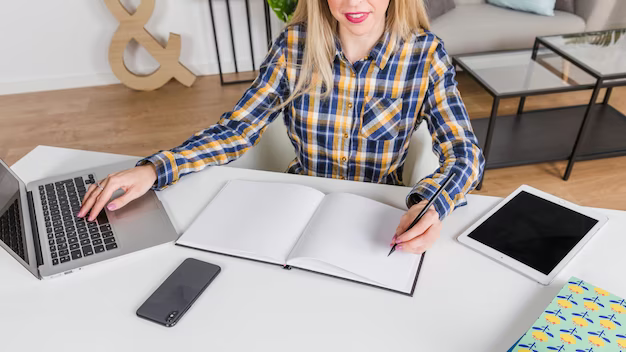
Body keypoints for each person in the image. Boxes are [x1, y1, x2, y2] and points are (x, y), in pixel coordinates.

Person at [79, 0, 485, 255]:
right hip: (297, 205)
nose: (352, 2)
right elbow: (237, 130)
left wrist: (432, 204)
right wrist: (153, 170)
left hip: (381, 212)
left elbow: (466, 155)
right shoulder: (294, 45)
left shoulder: (425, 55)